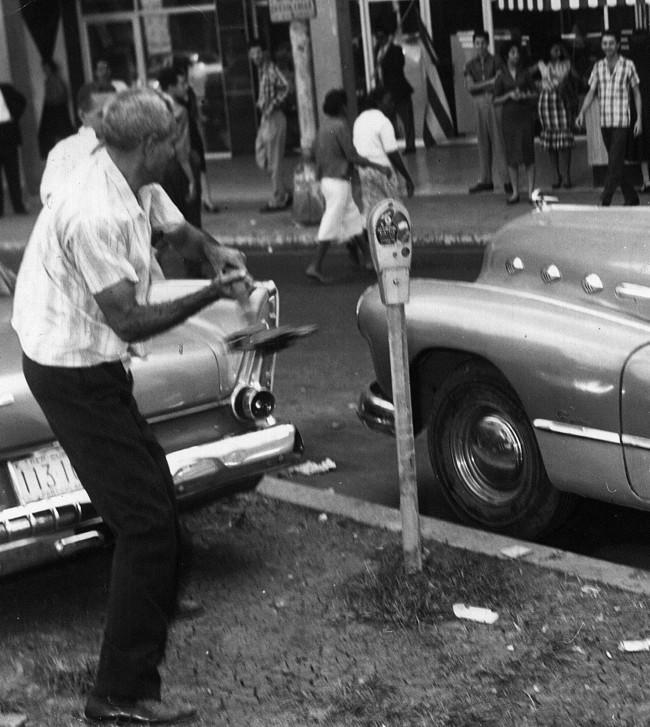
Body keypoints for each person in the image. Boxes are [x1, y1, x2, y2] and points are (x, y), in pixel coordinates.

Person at [12, 88, 250, 725]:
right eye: (173, 136)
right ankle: (118, 696)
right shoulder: (94, 209)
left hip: (92, 360)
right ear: (149, 145)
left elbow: (173, 225)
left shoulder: (127, 172)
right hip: (69, 369)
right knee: (144, 521)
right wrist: (211, 292)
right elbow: (131, 318)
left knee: (152, 500)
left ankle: (152, 598)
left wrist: (211, 250)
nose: (181, 144)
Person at [306, 88, 389, 283]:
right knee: (331, 222)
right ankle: (315, 265)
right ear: (342, 106)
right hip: (338, 181)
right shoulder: (341, 126)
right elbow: (352, 156)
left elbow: (310, 154)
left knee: (353, 220)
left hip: (326, 180)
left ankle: (369, 259)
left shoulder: (323, 128)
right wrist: (378, 166)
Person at [576, 30, 642, 206]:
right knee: (616, 163)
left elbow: (636, 93)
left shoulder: (628, 65)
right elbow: (591, 92)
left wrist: (639, 119)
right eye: (605, 43)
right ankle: (632, 197)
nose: (608, 47)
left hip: (621, 121)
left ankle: (604, 200)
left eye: (611, 43)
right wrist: (582, 112)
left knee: (613, 163)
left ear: (618, 45)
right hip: (605, 122)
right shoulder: (598, 66)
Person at [352, 85, 415, 260]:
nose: (392, 104)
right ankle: (398, 253)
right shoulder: (383, 121)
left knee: (372, 212)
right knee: (395, 210)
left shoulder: (360, 119)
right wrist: (407, 177)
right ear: (379, 102)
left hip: (364, 171)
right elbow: (392, 153)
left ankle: (367, 246)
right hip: (383, 170)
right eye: (389, 101)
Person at [40, 84, 114, 208]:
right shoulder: (64, 150)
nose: (111, 119)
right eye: (101, 115)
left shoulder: (131, 146)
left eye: (115, 112)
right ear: (83, 115)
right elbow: (51, 201)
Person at [248, 37, 292, 212]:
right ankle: (284, 190)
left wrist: (272, 105)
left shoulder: (271, 69)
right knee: (262, 156)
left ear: (264, 53)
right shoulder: (261, 71)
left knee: (273, 161)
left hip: (274, 117)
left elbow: (286, 87)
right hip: (266, 119)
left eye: (259, 52)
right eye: (253, 53)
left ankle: (278, 198)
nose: (256, 56)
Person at [464, 30, 510, 194]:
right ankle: (486, 179)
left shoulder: (496, 60)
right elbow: (470, 87)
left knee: (498, 141)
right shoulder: (470, 65)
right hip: (478, 103)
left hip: (493, 101)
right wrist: (489, 81)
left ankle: (507, 180)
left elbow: (500, 82)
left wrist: (485, 85)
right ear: (474, 44)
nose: (480, 46)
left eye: (483, 43)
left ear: (488, 44)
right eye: (477, 43)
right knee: (482, 142)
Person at [172, 56, 219, 213]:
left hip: (192, 130)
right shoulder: (174, 97)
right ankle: (199, 197)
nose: (187, 73)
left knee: (201, 165)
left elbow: (196, 112)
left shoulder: (188, 91)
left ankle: (207, 198)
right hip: (184, 133)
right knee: (188, 163)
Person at [493, 41, 537, 204]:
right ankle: (515, 192)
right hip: (509, 117)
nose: (516, 56)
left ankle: (531, 191)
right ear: (506, 55)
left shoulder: (525, 73)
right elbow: (495, 100)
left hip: (524, 115)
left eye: (517, 53)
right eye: (512, 53)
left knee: (528, 153)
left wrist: (524, 95)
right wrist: (508, 96)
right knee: (512, 154)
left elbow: (534, 92)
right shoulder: (501, 76)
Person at [158, 66, 200, 229]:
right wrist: (191, 180)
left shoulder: (155, 109)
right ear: (170, 87)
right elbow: (183, 150)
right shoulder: (180, 112)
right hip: (180, 170)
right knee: (190, 222)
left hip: (161, 170)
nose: (186, 87)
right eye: (181, 83)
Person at [536, 41, 577, 189]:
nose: (557, 52)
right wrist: (539, 85)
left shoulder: (567, 64)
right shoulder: (541, 64)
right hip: (546, 101)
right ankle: (555, 175)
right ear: (548, 51)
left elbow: (573, 77)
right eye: (554, 49)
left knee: (564, 140)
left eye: (559, 49)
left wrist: (567, 58)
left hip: (562, 101)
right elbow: (527, 76)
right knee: (551, 140)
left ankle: (566, 176)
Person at [374, 24, 415, 154]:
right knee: (388, 121)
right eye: (377, 37)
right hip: (386, 93)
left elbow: (399, 65)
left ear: (387, 37)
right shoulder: (377, 51)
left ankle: (410, 145)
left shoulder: (396, 49)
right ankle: (390, 146)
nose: (380, 40)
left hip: (399, 90)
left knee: (406, 119)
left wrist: (385, 60)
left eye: (382, 37)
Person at [37, 58, 74, 160]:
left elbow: (62, 96)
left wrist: (51, 101)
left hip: (56, 111)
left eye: (46, 68)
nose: (44, 70)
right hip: (52, 110)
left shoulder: (55, 80)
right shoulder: (49, 80)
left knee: (58, 135)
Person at [0, 81, 27, 216]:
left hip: (8, 136)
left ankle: (18, 206)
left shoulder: (6, 89)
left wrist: (14, 116)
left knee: (13, 174)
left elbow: (22, 101)